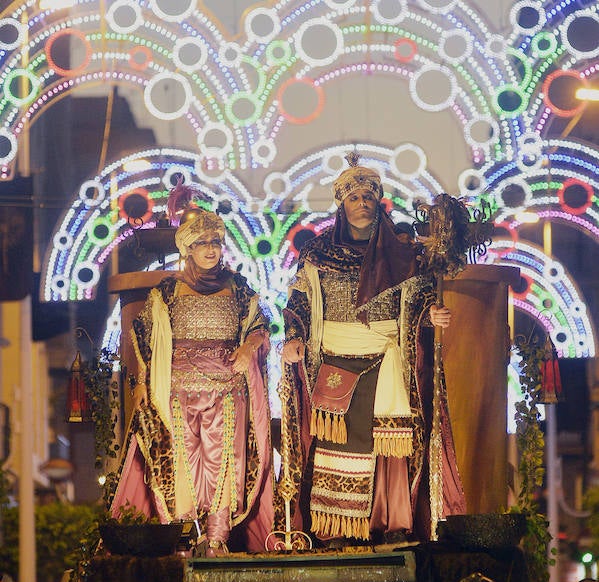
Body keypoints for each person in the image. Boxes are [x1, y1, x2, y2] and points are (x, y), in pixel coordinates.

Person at [281, 152, 465, 544]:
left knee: (389, 444)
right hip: (335, 360)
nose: (362, 202)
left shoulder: (404, 255)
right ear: (341, 205)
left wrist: (429, 316)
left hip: (386, 361)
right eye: (354, 197)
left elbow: (417, 303)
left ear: (378, 202)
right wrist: (293, 337)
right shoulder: (316, 254)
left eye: (369, 196)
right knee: (335, 441)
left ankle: (387, 525)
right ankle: (336, 532)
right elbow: (298, 303)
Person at [110, 208, 274, 555]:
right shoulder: (169, 291)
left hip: (226, 389)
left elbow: (261, 326)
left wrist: (248, 347)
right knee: (180, 465)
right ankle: (183, 541)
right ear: (187, 248)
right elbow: (145, 335)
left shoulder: (238, 287)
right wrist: (141, 383)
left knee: (222, 465)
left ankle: (216, 540)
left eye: (215, 241)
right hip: (176, 391)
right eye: (201, 242)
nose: (210, 248)